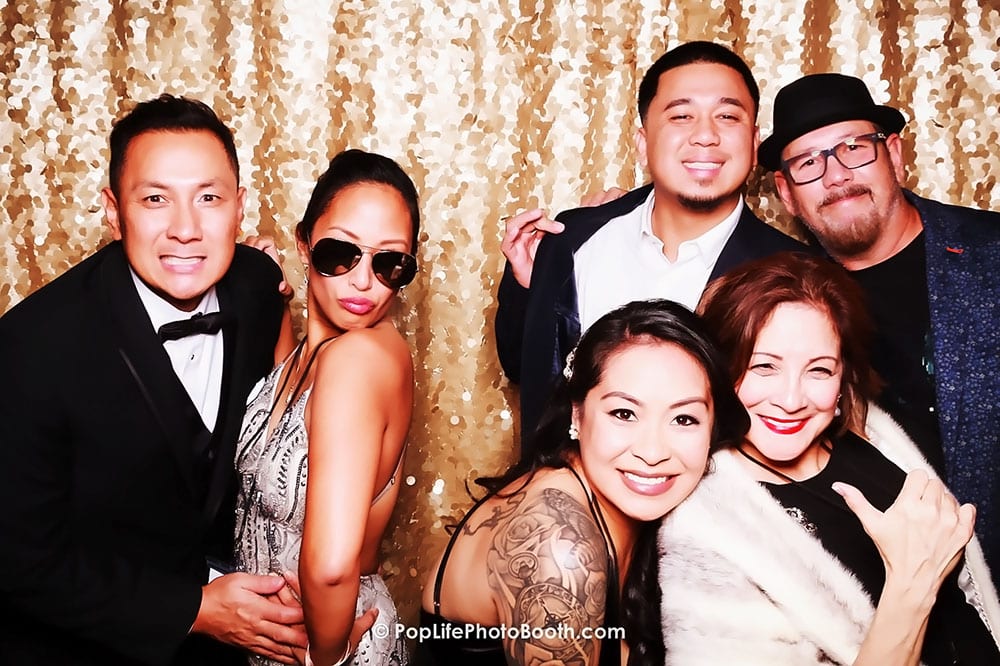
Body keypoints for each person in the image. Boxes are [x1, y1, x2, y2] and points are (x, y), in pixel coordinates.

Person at [0, 95, 306, 665]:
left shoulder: (258, 289)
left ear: (241, 207)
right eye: (156, 199)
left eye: (208, 198)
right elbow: (20, 561)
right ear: (114, 211)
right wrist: (193, 610)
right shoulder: (29, 347)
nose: (186, 229)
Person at [658, 252, 1000, 665]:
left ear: (842, 378)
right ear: (720, 369)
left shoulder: (873, 437)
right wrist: (913, 582)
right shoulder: (704, 529)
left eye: (818, 370)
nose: (791, 400)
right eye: (764, 366)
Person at [494, 40, 805, 446]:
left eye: (728, 116)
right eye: (681, 116)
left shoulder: (794, 272)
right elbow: (526, 370)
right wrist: (527, 290)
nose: (706, 136)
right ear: (642, 143)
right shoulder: (573, 238)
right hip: (570, 499)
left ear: (753, 140)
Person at [756, 72, 1000, 578]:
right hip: (882, 592)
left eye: (853, 147)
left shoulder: (991, 255)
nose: (836, 175)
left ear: (894, 154)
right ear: (786, 192)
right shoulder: (784, 295)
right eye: (807, 163)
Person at [419, 298, 750, 666]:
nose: (653, 451)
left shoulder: (647, 507)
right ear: (577, 413)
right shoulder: (559, 549)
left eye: (684, 419)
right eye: (624, 413)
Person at [235, 149, 418, 666]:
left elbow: (332, 568)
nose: (363, 281)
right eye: (340, 253)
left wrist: (326, 658)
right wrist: (261, 288)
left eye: (390, 262)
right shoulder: (309, 357)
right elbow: (286, 430)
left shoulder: (360, 358)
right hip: (279, 642)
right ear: (304, 243)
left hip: (329, 646)